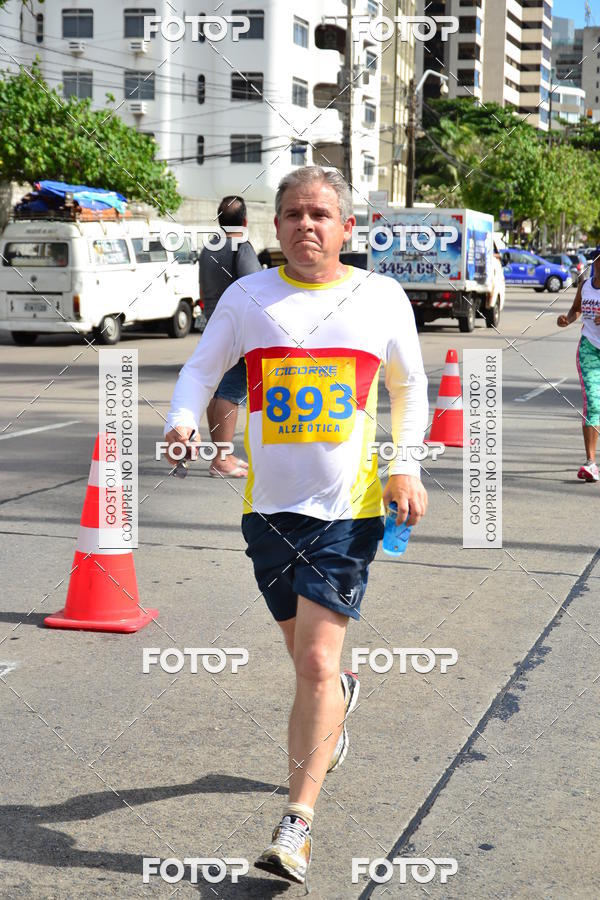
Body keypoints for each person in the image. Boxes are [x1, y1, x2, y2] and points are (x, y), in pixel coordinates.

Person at [164, 166, 428, 886]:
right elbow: (200, 369)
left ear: (346, 227)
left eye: (320, 214)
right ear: (275, 226)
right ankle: (338, 698)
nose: (306, 224)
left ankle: (296, 825)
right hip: (268, 513)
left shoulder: (380, 296)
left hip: (349, 510)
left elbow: (408, 388)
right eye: (293, 214)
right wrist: (183, 420)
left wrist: (405, 466)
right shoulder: (249, 296)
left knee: (313, 661)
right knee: (308, 661)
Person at [200, 195, 261, 477]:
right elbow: (253, 289)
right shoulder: (242, 248)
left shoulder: (208, 248)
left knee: (218, 390)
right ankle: (222, 460)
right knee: (232, 392)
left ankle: (220, 454)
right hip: (238, 329)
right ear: (245, 221)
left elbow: (203, 290)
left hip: (213, 324)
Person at [557, 254, 600, 482]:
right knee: (593, 403)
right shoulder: (585, 287)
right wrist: (567, 319)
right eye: (598, 260)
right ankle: (591, 462)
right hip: (589, 350)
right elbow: (576, 309)